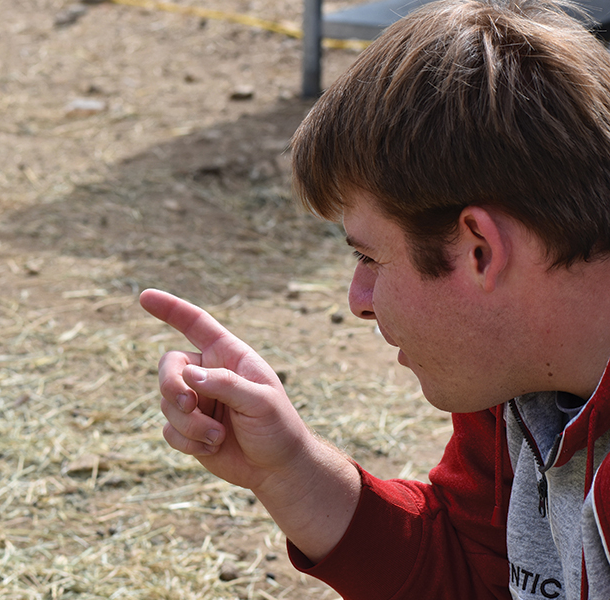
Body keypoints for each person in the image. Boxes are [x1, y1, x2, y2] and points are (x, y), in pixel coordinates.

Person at [140, 0, 610, 598]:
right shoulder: (522, 377)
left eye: (368, 257)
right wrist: (289, 470)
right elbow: (480, 573)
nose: (358, 300)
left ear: (480, 252)